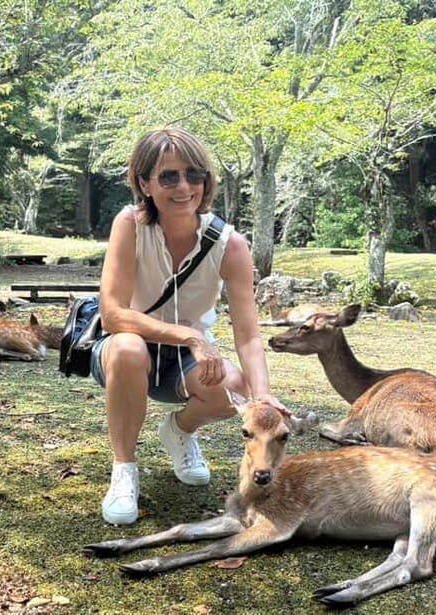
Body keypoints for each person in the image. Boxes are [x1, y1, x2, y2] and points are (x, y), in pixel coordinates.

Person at [92, 127, 285, 525]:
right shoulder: (129, 225)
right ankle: (124, 469)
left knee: (235, 385)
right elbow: (113, 314)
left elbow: (247, 334)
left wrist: (263, 396)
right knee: (129, 348)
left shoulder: (229, 244)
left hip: (187, 360)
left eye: (193, 175)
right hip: (127, 350)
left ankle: (179, 431)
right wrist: (190, 335)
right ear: (144, 182)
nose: (184, 187)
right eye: (168, 177)